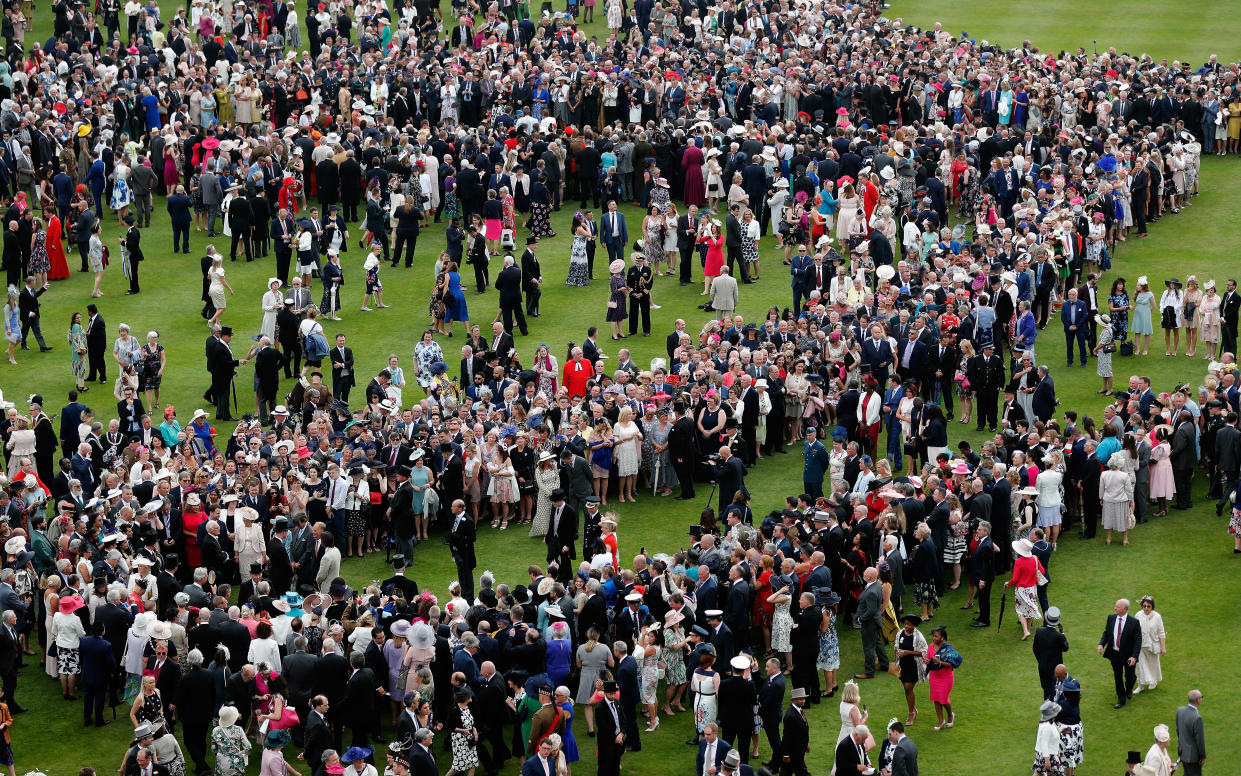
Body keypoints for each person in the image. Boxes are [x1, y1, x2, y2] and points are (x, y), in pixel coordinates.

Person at [1097, 598, 1141, 708]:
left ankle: (1129, 688)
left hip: (1128, 655)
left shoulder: (1134, 622)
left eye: (1117, 607)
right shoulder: (1111, 618)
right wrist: (1101, 644)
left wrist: (1134, 657)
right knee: (1118, 676)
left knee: (1130, 676)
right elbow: (1107, 633)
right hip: (1114, 653)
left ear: (1125, 610)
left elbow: (1138, 640)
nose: (1115, 608)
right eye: (1115, 606)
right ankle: (1121, 699)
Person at [1132, 595, 1166, 693]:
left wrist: (1163, 647)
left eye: (1148, 606)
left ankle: (1153, 681)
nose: (1146, 608)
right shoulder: (1138, 615)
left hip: (1153, 645)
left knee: (1153, 664)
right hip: (1140, 645)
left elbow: (1161, 632)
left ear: (1152, 607)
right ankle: (1140, 685)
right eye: (1144, 606)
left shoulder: (1157, 617)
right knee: (1140, 665)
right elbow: (1134, 630)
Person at [1175, 689, 1206, 776]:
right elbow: (1200, 741)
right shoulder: (1197, 718)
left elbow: (1178, 731)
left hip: (1182, 752)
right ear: (1198, 700)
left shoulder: (1179, 711)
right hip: (1193, 757)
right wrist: (1203, 757)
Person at [1033, 701, 1062, 776]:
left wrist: (1057, 750)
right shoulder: (1047, 727)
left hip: (1045, 753)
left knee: (1038, 773)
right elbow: (1044, 743)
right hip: (1048, 755)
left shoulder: (1049, 722)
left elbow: (1052, 738)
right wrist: (1047, 760)